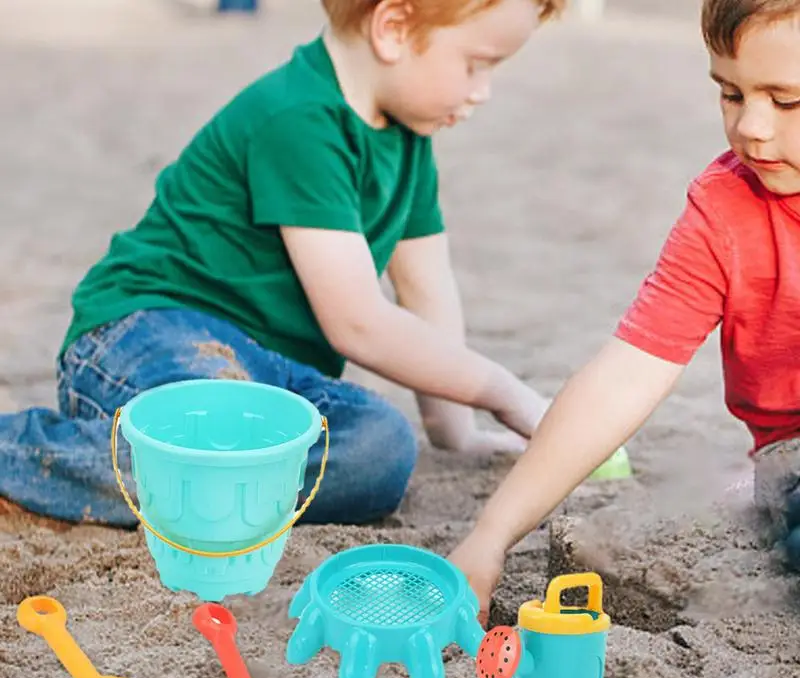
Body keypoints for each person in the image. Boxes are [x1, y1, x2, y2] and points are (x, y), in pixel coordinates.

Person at [0, 0, 572, 529]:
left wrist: (457, 430)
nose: (484, 92)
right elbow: (356, 322)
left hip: (270, 379)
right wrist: (502, 391)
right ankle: (22, 456)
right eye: (477, 64)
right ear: (393, 28)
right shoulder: (298, 117)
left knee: (377, 447)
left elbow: (428, 291)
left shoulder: (407, 142)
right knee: (216, 439)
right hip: (150, 333)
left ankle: (180, 475)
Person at [450, 0, 800, 625]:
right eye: (730, 93)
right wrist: (490, 535)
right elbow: (625, 376)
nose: (750, 126)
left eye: (787, 101)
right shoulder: (725, 214)